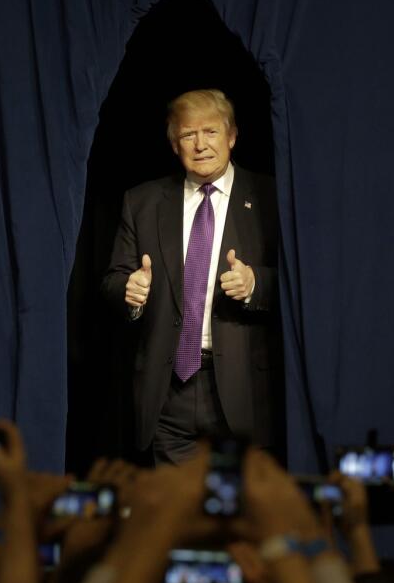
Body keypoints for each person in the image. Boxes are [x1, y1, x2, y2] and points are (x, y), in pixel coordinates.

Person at [101, 89, 282, 465]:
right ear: (174, 144)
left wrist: (255, 284)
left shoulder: (270, 197)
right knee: (175, 518)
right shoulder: (142, 201)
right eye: (188, 135)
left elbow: (302, 284)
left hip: (242, 388)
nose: (200, 145)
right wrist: (129, 292)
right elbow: (114, 279)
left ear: (231, 136)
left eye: (211, 132)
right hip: (169, 394)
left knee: (236, 520)